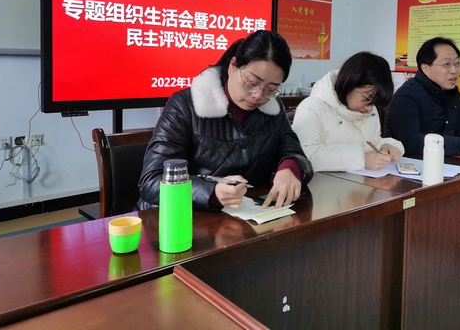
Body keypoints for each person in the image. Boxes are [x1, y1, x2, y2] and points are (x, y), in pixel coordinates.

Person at [138, 30, 314, 211]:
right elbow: (152, 181)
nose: (258, 95)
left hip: (244, 216)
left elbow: (294, 152)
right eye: (252, 83)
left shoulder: (272, 108)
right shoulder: (185, 105)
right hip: (176, 216)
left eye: (270, 89)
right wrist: (212, 192)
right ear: (232, 66)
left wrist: (290, 168)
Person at [291, 52, 404, 172]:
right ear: (350, 83)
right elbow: (305, 155)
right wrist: (362, 159)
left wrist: (386, 147)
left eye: (374, 103)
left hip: (362, 180)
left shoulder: (369, 110)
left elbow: (373, 142)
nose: (369, 108)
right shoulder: (311, 107)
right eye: (367, 99)